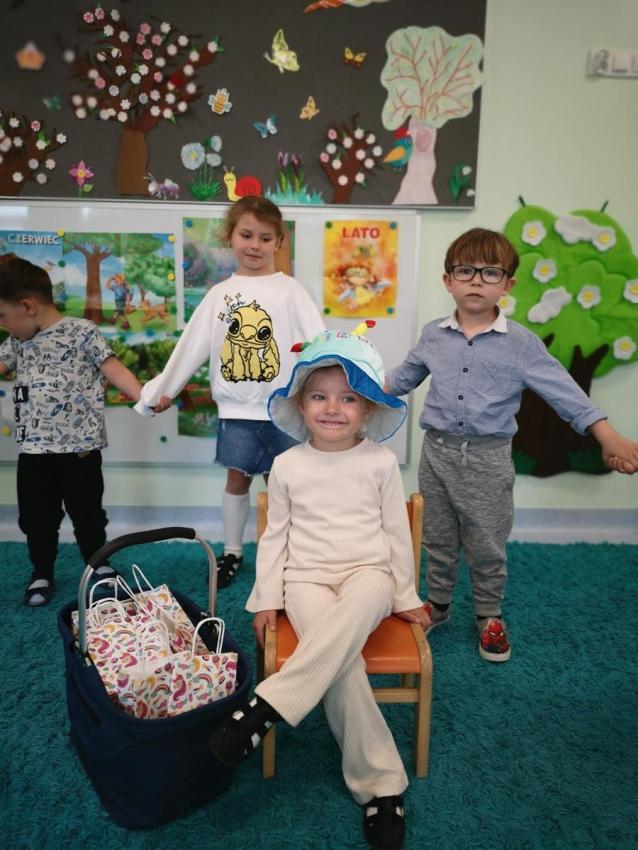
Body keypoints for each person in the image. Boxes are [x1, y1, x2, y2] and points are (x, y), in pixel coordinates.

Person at [210, 325, 430, 850]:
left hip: (368, 575)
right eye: (319, 397)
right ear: (300, 405)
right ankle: (382, 787)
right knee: (341, 663)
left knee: (352, 615)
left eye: (348, 398)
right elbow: (276, 537)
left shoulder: (380, 463)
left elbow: (396, 535)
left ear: (368, 409)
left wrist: (404, 595)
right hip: (306, 579)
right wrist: (267, 598)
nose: (333, 408)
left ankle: (265, 708)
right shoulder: (286, 466)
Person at [384, 227, 638, 663]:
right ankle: (438, 604)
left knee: (486, 543)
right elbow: (399, 381)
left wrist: (606, 435)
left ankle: (488, 614)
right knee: (438, 539)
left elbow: (564, 391)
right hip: (437, 453)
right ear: (448, 281)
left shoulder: (520, 343)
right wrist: (348, 389)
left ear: (508, 285)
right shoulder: (433, 335)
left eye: (490, 272)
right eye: (465, 271)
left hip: (488, 459)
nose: (476, 280)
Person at [135, 196, 325, 587]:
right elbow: (191, 345)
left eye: (265, 238)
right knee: (237, 481)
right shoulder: (220, 294)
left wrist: (333, 394)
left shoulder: (292, 291)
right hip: (237, 412)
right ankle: (233, 552)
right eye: (246, 235)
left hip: (284, 410)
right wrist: (159, 392)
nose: (255, 245)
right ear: (230, 237)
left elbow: (319, 344)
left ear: (279, 241)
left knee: (284, 487)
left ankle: (292, 555)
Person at [0, 256, 142, 606]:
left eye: (2, 316)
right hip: (34, 453)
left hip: (80, 450)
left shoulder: (82, 331)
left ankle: (98, 563)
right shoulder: (17, 341)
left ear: (27, 306)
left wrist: (144, 397)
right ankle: (41, 571)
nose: (3, 325)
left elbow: (113, 368)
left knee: (88, 514)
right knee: (36, 519)